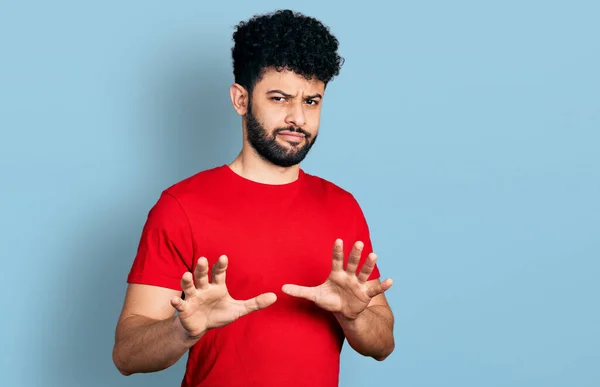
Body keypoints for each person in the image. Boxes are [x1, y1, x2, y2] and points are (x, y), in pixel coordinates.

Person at [112, 9, 395, 387]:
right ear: (240, 99)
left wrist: (355, 317)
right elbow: (127, 354)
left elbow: (383, 344)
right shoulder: (181, 206)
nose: (298, 118)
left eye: (312, 101)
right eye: (280, 98)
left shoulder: (342, 206)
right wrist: (182, 329)